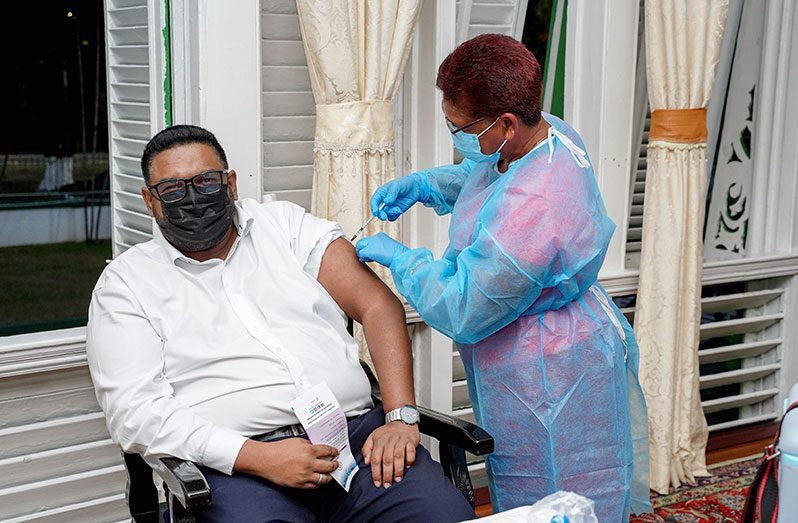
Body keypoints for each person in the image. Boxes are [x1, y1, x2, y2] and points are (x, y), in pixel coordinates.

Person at [86, 125, 474, 522]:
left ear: (231, 183)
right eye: (172, 189)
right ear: (150, 201)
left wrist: (400, 416)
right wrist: (257, 458)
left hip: (356, 443)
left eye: (205, 181)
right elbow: (133, 412)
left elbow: (377, 305)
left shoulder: (286, 226)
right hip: (235, 469)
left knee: (442, 514)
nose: (192, 198)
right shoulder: (126, 284)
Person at [355, 34, 652, 521]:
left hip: (549, 371)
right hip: (558, 341)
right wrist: (428, 185)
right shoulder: (548, 134)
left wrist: (401, 259)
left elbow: (463, 307)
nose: (456, 137)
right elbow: (490, 176)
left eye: (459, 128)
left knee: (554, 496)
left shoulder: (536, 208)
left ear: (507, 123)